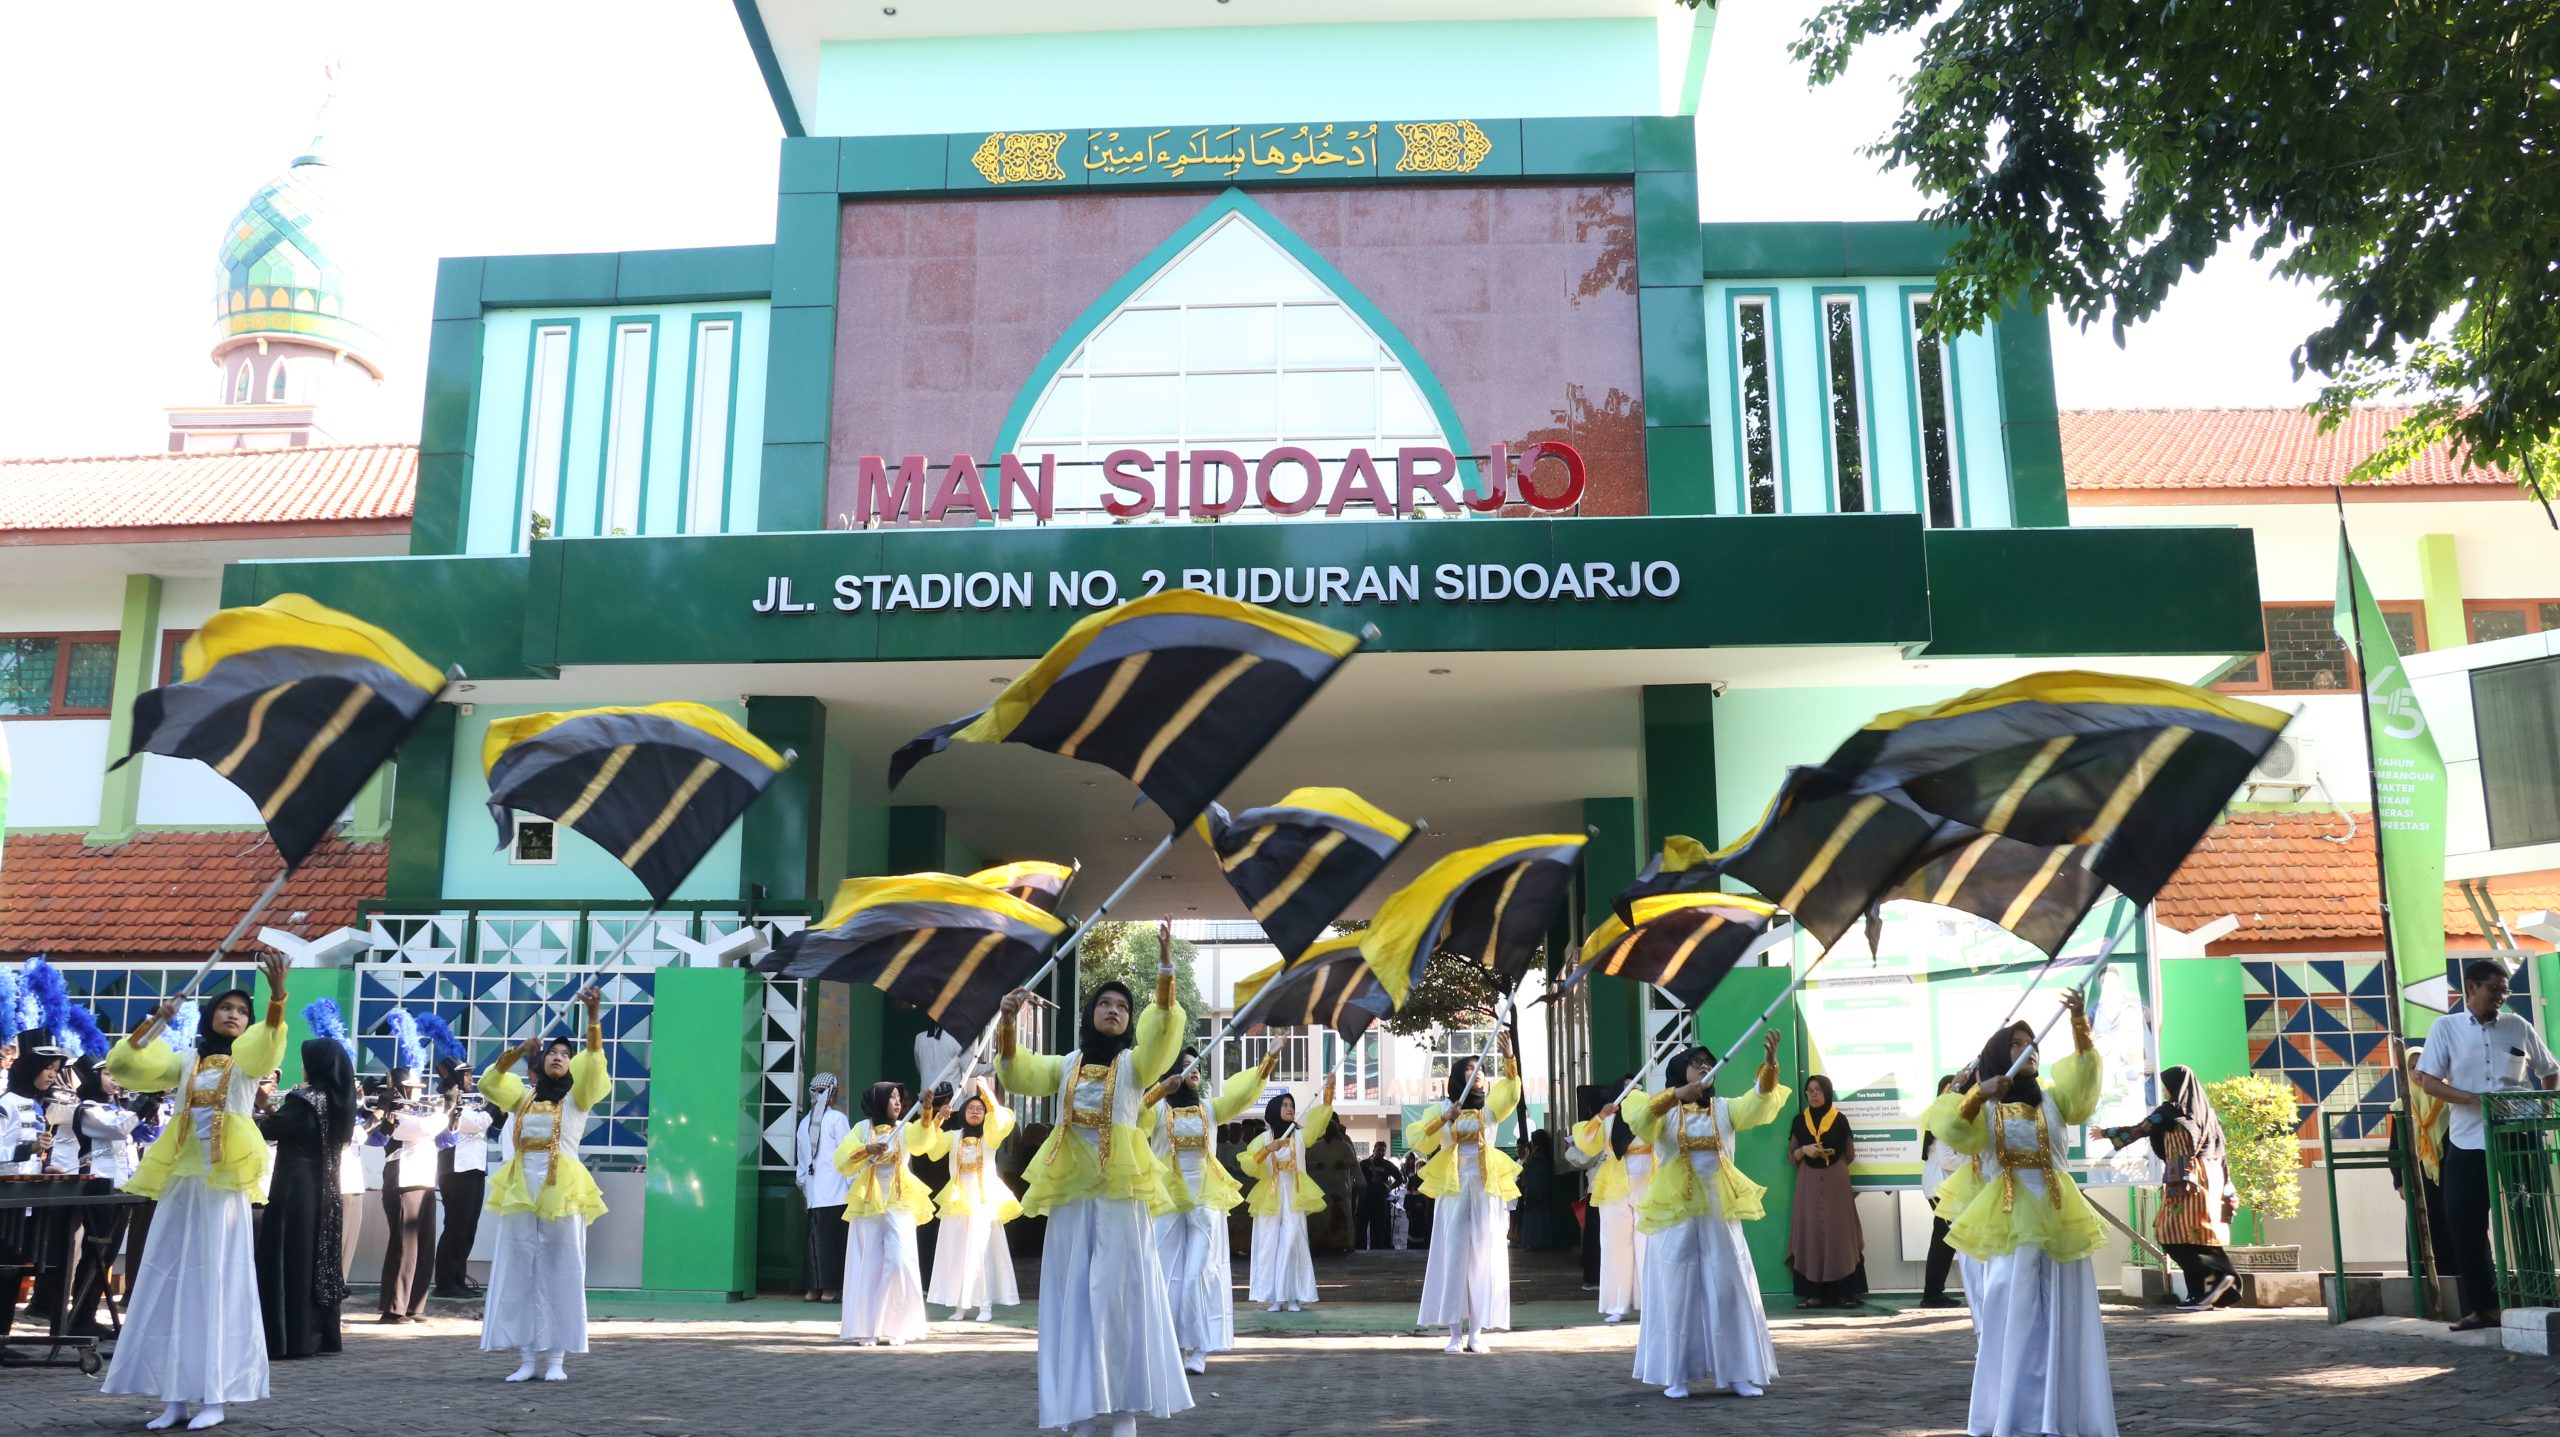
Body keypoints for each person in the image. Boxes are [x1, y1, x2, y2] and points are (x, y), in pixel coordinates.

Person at [994, 965, 1192, 1437]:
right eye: (1105, 1003)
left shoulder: (1134, 1066)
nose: (1114, 1011)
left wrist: (1165, 972)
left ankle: (1124, 1412)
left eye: (1123, 1006)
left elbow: (1162, 1039)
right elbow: (1019, 1072)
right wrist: (1006, 1021)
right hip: (1071, 1197)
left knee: (1121, 1296)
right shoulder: (1064, 1065)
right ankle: (1081, 1410)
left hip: (1122, 1197)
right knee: (1073, 1296)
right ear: (1090, 1012)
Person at [101, 953, 293, 1432]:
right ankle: (175, 1395)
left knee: (218, 1281)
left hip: (223, 1185)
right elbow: (127, 1065)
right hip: (183, 1181)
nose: (233, 1014)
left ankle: (217, 1393)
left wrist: (277, 999)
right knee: (170, 1278)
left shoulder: (246, 1062)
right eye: (225, 1007)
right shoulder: (185, 1060)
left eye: (242, 1010)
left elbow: (267, 1050)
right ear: (209, 1013)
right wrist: (154, 1023)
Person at [1924, 990, 2115, 1437]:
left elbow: (2086, 1084)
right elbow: (1949, 1127)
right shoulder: (1984, 1107)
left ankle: (2065, 1416)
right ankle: (2015, 1417)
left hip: (2059, 1218)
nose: (2028, 1049)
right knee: (2016, 1316)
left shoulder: (2054, 1100)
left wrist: (2079, 1022)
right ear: (1996, 1054)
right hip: (2009, 1221)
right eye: (2016, 1043)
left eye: (2032, 1044)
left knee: (2065, 1315)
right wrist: (1975, 1093)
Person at [1627, 1031, 1787, 1401]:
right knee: (1675, 1289)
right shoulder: (1662, 1113)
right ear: (1680, 1071)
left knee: (1728, 1286)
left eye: (1707, 1063)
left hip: (1719, 1209)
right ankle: (1675, 1375)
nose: (1703, 1067)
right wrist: (1673, 1097)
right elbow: (1639, 1120)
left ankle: (1739, 1372)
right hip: (1675, 1212)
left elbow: (1759, 1104)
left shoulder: (1726, 1109)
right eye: (1696, 1063)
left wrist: (1771, 1064)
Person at [2412, 959, 2560, 1332]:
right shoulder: (2445, 1028)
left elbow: (2550, 1070)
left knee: (2529, 1215)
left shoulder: (2517, 1026)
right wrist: (2473, 1099)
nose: (2501, 996)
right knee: (2463, 1218)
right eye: (2494, 989)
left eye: (2504, 990)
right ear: (2471, 987)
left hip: (2517, 1137)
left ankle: (2538, 1296)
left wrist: (2542, 1106)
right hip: (2469, 1138)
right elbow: (2428, 1082)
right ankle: (2484, 1306)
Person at [477, 988, 612, 1383]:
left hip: (562, 1187)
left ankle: (556, 1359)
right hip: (521, 1187)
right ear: (540, 1061)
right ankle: (526, 1359)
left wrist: (593, 1017)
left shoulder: (577, 1099)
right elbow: (489, 1083)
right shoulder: (522, 1097)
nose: (559, 1056)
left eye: (566, 1055)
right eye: (552, 1052)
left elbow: (595, 1064)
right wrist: (517, 1051)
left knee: (562, 1269)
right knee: (519, 1269)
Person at [1141, 1048, 1269, 1375]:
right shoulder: (1157, 1111)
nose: (1194, 1069)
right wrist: (1158, 1091)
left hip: (1206, 1197)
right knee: (1164, 1273)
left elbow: (1241, 1098)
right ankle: (1166, 1346)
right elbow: (1132, 1114)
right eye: (1186, 1065)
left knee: (1198, 1274)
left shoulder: (1210, 1109)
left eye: (1197, 1064)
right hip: (1167, 1197)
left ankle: (1198, 1349)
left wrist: (1268, 1061)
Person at [1406, 1033, 1520, 1355]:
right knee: (1454, 1257)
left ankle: (1478, 1333)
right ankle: (1455, 1332)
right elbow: (1417, 1140)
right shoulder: (1442, 1109)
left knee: (1485, 1257)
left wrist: (1510, 1058)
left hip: (1486, 1189)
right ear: (1458, 1076)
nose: (1479, 1071)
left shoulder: (1491, 1109)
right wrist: (1444, 1118)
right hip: (1454, 1190)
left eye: (1481, 1067)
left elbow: (1511, 1094)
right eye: (1471, 1068)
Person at [2102, 1064, 2238, 1311]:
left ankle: (2217, 1275)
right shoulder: (2208, 1115)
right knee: (2198, 1235)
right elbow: (2222, 1153)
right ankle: (2204, 1293)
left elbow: (2141, 1129)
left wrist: (2106, 1133)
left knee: (2169, 1232)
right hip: (2212, 1177)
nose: (2165, 1091)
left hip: (2185, 1179)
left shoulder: (2170, 1110)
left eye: (2167, 1086)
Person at [255, 1038, 356, 1358]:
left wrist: (260, 1105)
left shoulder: (305, 1099)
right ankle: (321, 1335)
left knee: (291, 1258)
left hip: (295, 1188)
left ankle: (290, 1338)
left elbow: (271, 1130)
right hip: (325, 1190)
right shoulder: (338, 1100)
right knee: (317, 1258)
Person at [836, 1078, 947, 1346]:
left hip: (900, 1200)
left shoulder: (905, 1128)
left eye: (900, 1097)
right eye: (892, 1097)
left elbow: (922, 1142)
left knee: (900, 1262)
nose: (897, 1102)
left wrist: (927, 1112)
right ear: (878, 1101)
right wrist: (866, 1149)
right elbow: (841, 1159)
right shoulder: (861, 1129)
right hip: (868, 1201)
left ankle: (897, 1325)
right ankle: (868, 1328)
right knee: (869, 1266)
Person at [928, 1074, 1020, 1322]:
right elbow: (931, 1148)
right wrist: (937, 1119)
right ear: (962, 1113)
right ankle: (960, 1305)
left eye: (980, 1109)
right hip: (958, 1200)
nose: (975, 1112)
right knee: (958, 1252)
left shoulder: (990, 1136)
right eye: (971, 1108)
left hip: (983, 1199)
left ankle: (985, 1304)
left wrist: (987, 1094)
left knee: (981, 1251)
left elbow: (1002, 1120)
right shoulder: (953, 1136)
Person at [1240, 1076, 1335, 1313]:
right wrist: (1266, 1151)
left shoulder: (1301, 1136)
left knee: (1294, 1240)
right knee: (1269, 1244)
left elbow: (1321, 1120)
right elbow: (1249, 1165)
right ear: (1273, 1110)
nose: (1289, 1108)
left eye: (1291, 1105)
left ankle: (1294, 1295)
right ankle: (1275, 1297)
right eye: (1284, 1105)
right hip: (1269, 1194)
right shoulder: (1263, 1139)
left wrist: (1329, 1089)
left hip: (1295, 1193)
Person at [64, 1057, 142, 1336]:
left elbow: (134, 1139)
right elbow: (116, 1129)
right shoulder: (87, 1109)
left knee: (106, 1256)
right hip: (98, 1183)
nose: (115, 1080)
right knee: (95, 1252)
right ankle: (79, 1317)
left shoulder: (115, 1107)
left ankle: (86, 1315)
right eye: (109, 1074)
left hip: (119, 1185)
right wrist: (141, 1110)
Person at [1786, 1074, 1869, 1310]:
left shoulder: (1840, 1120)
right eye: (1809, 1090)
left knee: (1840, 1233)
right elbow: (1792, 1156)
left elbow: (1850, 1154)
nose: (1813, 1094)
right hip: (1808, 1183)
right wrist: (1806, 1150)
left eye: (1818, 1090)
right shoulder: (1799, 1121)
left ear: (1827, 1092)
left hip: (1836, 1181)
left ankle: (1846, 1293)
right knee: (1810, 1232)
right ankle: (1814, 1294)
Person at [1571, 1095, 1655, 1324]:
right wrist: (1599, 1117)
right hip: (1613, 1188)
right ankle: (1619, 1304)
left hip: (1648, 1186)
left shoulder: (1650, 1116)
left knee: (1648, 1246)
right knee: (1615, 1247)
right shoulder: (1608, 1121)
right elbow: (1586, 1141)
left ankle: (1651, 1303)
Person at [370, 1066, 444, 1324]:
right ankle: (393, 1308)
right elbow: (426, 1128)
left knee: (424, 1247)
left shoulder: (417, 1112)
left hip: (423, 1182)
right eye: (412, 1088)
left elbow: (444, 1136)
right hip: (404, 1183)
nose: (417, 1093)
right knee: (405, 1248)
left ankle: (414, 1305)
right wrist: (445, 1110)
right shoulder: (396, 1113)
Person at [432, 1059, 494, 1297]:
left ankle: (458, 1279)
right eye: (467, 1076)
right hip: (458, 1172)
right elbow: (479, 1125)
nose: (471, 1080)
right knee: (456, 1227)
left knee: (468, 1228)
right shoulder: (452, 1104)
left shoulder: (468, 1104)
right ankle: (446, 1282)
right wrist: (496, 1103)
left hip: (474, 1170)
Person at [794, 1072, 851, 1303]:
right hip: (837, 1194)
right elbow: (848, 1157)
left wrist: (806, 1194)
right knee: (833, 1243)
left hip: (814, 1195)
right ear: (832, 1094)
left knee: (814, 1242)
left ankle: (812, 1290)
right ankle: (829, 1291)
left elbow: (801, 1165)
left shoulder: (804, 1122)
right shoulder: (838, 1119)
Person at [1917, 1072, 1972, 1311]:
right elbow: (1947, 1159)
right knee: (1944, 1240)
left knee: (1944, 1239)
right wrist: (1975, 1159)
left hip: (1942, 1185)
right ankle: (1932, 1293)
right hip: (1942, 1186)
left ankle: (1933, 1292)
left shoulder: (1942, 1116)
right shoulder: (1943, 1117)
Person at [1357, 1142, 1397, 1251]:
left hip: (1380, 1201)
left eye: (1383, 1150)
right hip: (1366, 1199)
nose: (1380, 1152)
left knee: (1378, 1227)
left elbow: (1401, 1178)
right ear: (1373, 1150)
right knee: (1361, 1225)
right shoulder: (1364, 1164)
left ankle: (1377, 1250)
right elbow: (1357, 1177)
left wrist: (1389, 1188)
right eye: (1379, 1149)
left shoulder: (1388, 1165)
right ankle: (1361, 1249)